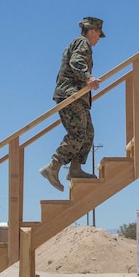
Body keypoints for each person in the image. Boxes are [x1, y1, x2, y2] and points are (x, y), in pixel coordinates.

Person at [39, 17, 105, 191]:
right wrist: (88, 77)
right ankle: (53, 167)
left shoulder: (81, 43)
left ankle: (75, 168)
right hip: (71, 94)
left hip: (78, 96)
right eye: (98, 34)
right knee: (77, 133)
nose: (98, 38)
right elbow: (76, 61)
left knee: (88, 133)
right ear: (92, 31)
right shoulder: (83, 43)